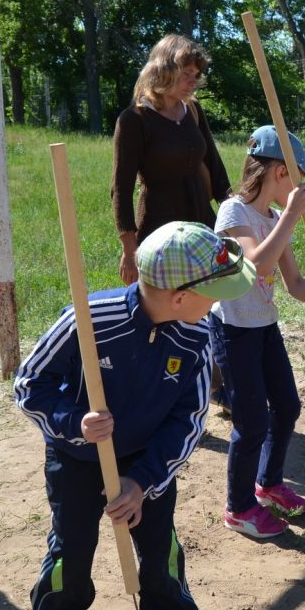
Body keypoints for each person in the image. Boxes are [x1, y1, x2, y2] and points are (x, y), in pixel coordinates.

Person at [15, 221, 256, 610]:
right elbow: (30, 383)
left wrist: (141, 483)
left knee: (162, 560)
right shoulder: (88, 319)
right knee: (70, 559)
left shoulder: (196, 336)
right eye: (211, 295)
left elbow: (189, 420)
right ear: (179, 297)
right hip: (76, 459)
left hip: (148, 460)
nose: (215, 304)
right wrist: (74, 421)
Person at [209, 127, 305, 538]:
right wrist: (289, 217)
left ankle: (268, 484)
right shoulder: (234, 214)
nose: (302, 186)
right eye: (299, 176)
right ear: (280, 172)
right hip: (233, 329)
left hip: (264, 326)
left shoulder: (270, 217)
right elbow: (256, 267)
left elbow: (292, 283)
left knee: (286, 407)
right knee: (251, 423)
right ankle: (239, 508)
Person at [112, 34, 232, 412]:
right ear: (163, 69)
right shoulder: (135, 120)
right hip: (159, 234)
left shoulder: (193, 111)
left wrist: (234, 214)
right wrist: (129, 250)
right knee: (163, 315)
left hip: (201, 225)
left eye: (197, 74)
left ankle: (216, 386)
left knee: (210, 307)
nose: (193, 80)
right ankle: (156, 396)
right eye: (186, 72)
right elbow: (121, 187)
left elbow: (214, 164)